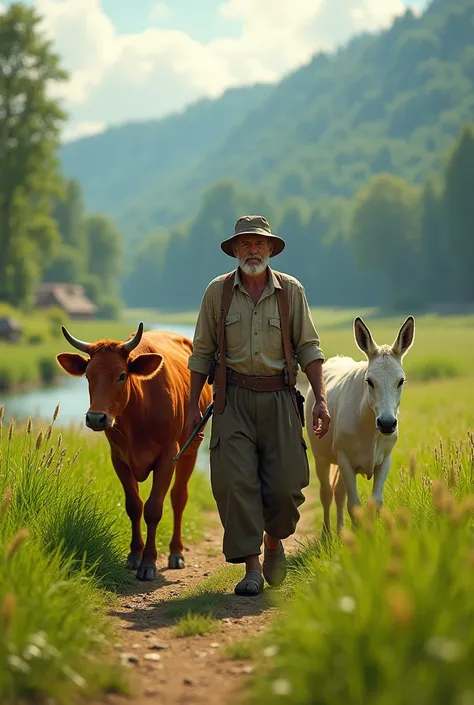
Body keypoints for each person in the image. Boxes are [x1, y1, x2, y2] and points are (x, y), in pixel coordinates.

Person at [186, 215, 331, 596]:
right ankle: (251, 568)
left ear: (270, 249)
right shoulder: (216, 293)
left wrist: (321, 401)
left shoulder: (291, 291)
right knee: (236, 483)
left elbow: (310, 348)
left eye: (259, 244)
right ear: (234, 250)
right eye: (245, 244)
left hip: (281, 399)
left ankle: (272, 541)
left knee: (285, 487)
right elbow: (201, 354)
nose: (253, 250)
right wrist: (190, 409)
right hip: (231, 401)